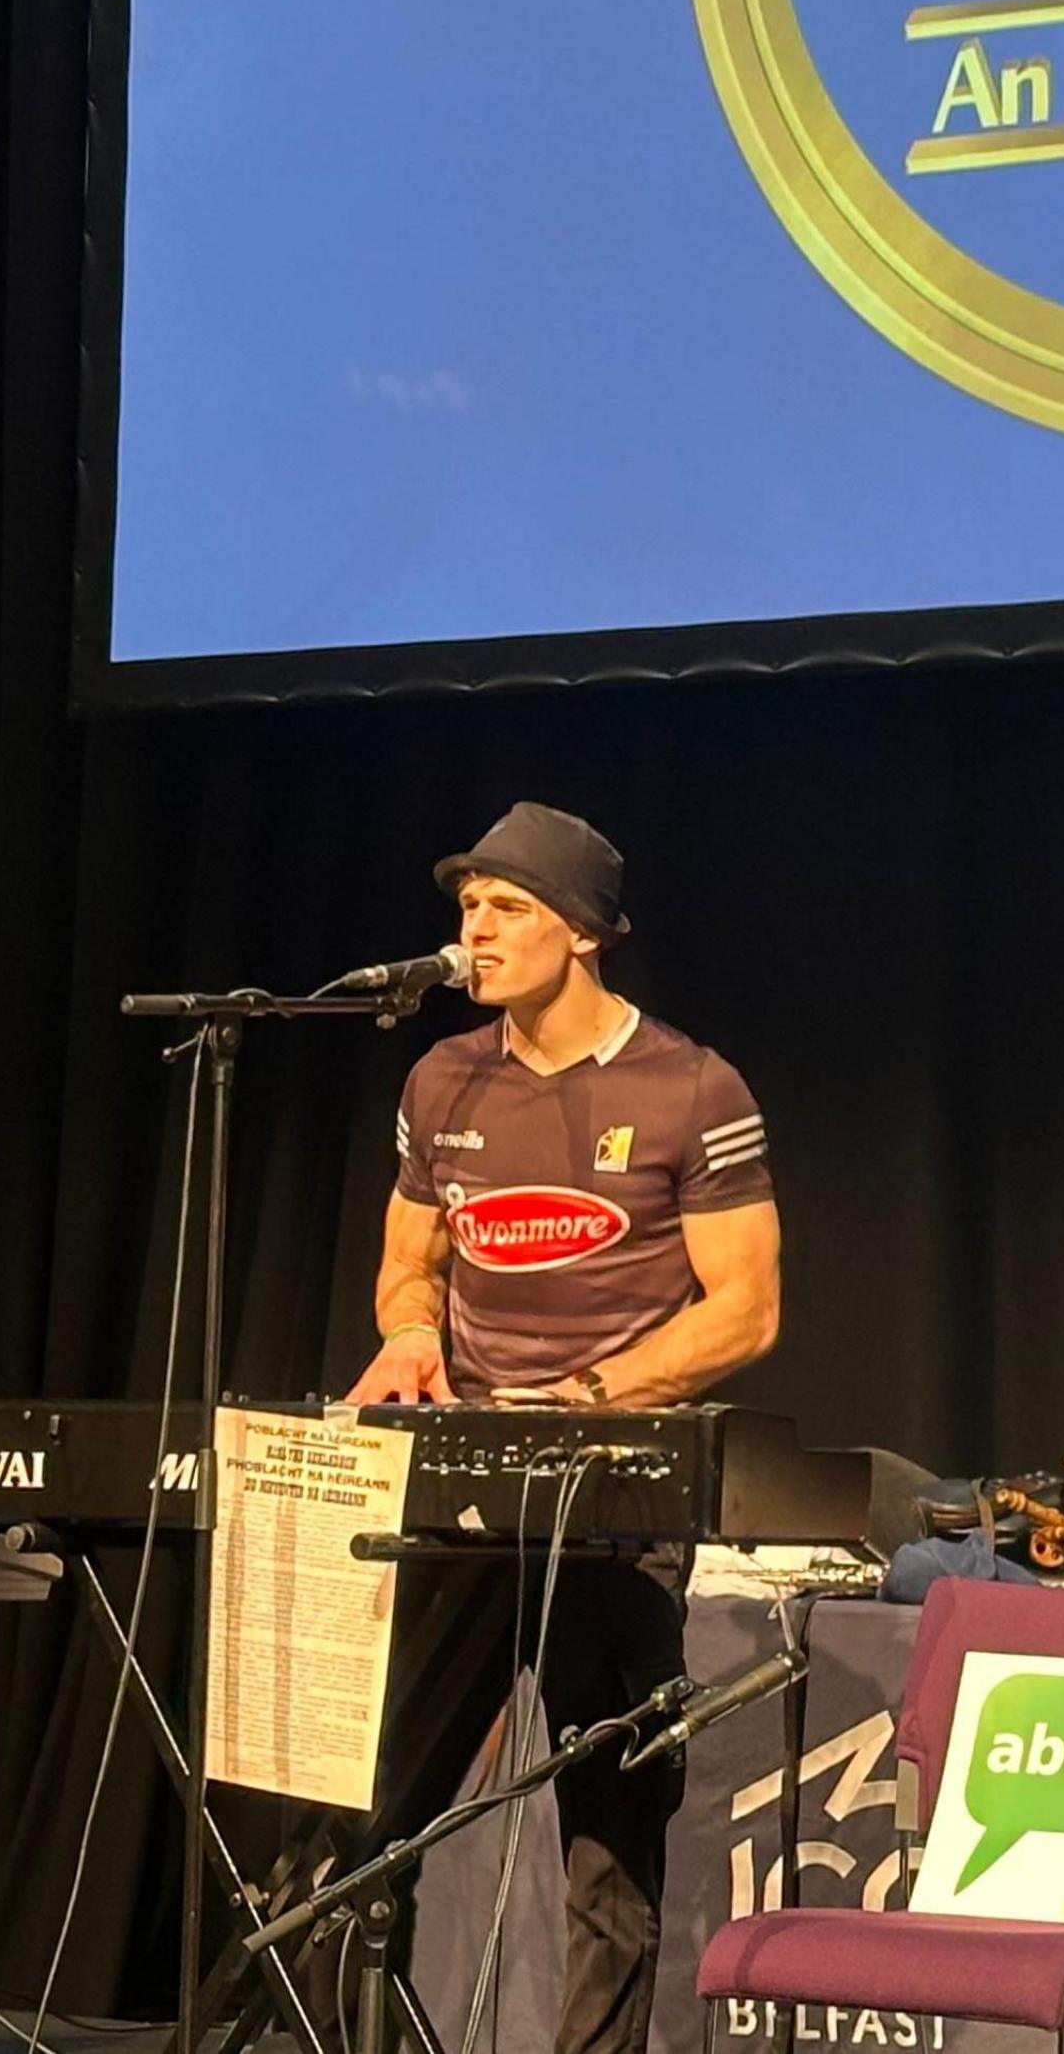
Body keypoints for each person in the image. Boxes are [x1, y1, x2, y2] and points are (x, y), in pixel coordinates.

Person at [342, 802, 783, 2054]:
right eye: (466, 906)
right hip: (465, 1492)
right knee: (376, 1824)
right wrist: (414, 1332)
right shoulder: (442, 1077)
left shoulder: (693, 1083)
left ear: (581, 932)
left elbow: (745, 1308)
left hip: (616, 1498)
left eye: (507, 907)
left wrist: (584, 1400)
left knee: (609, 1838)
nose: (474, 930)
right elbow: (406, 1265)